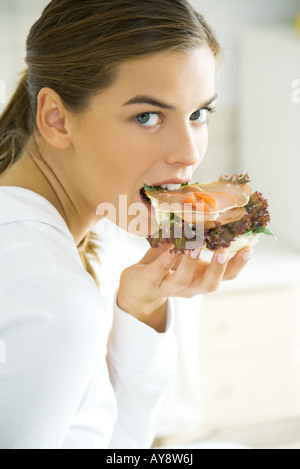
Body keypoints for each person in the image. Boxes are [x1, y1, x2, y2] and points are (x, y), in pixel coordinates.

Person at [0, 0, 253, 449]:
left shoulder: (32, 238)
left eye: (198, 114)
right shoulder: (55, 297)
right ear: (56, 119)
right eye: (147, 117)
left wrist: (140, 307)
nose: (189, 153)